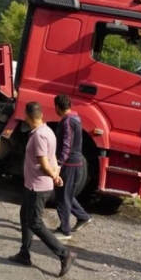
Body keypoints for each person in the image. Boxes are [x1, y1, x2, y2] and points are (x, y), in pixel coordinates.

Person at [8, 101, 77, 278]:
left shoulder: (39, 136)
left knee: (35, 222)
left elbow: (44, 163)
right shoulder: (47, 131)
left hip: (37, 187)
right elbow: (52, 156)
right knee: (25, 216)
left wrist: (54, 175)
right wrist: (56, 173)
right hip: (33, 185)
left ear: (27, 116)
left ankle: (64, 253)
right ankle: (24, 253)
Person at [52, 94, 92, 240]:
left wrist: (59, 164)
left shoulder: (67, 122)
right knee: (66, 194)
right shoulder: (75, 118)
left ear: (57, 107)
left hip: (69, 164)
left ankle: (64, 230)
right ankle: (83, 217)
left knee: (62, 197)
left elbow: (67, 144)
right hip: (76, 163)